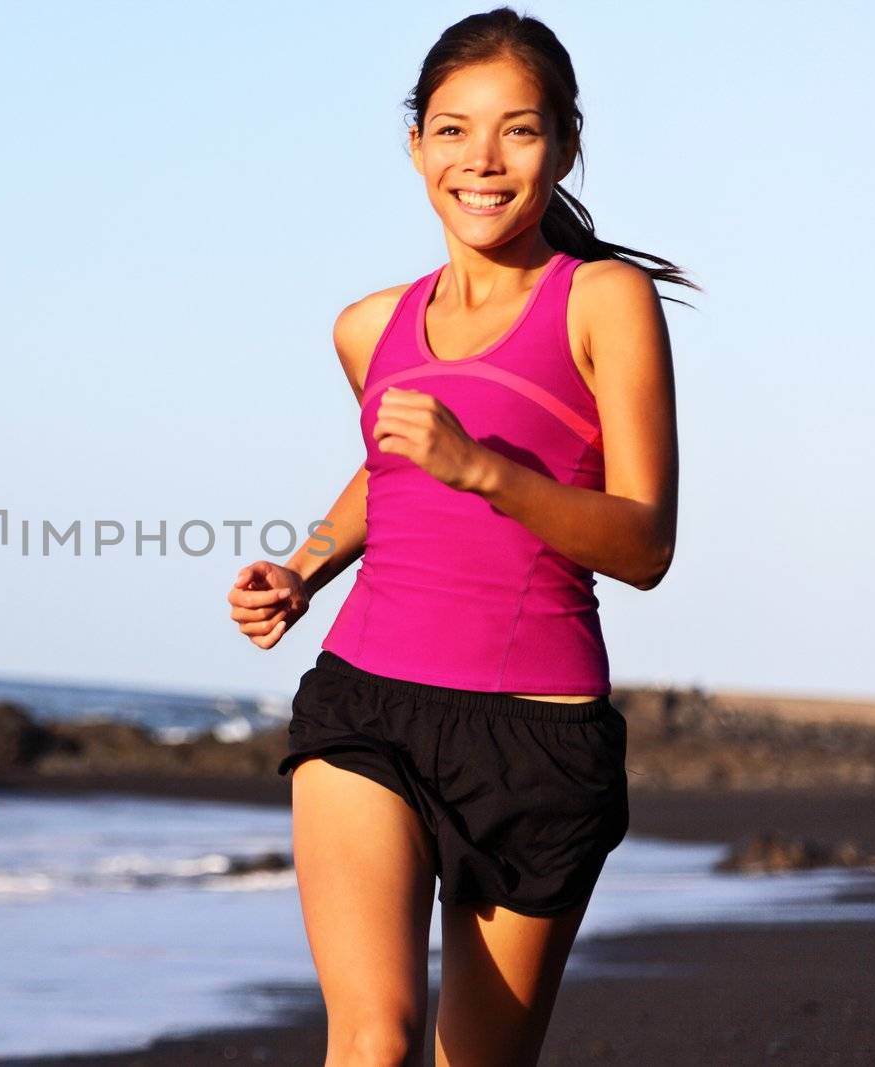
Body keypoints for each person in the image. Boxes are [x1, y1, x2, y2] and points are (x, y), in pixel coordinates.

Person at [226, 8, 691, 1066]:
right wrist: (303, 568)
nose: (480, 160)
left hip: (535, 739)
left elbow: (644, 542)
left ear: (566, 144)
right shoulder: (367, 324)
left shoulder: (602, 301)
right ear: (414, 143)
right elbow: (390, 466)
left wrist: (483, 467)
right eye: (452, 129)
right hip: (365, 702)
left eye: (518, 130)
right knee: (372, 1038)